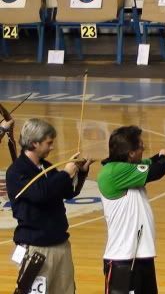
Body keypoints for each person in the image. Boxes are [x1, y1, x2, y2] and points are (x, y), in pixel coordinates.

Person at [98, 125, 165, 294]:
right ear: (130, 152)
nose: (144, 148)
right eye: (140, 146)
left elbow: (154, 161)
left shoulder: (129, 167)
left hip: (141, 257)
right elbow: (157, 170)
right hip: (122, 260)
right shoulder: (112, 172)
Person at [6, 118, 94, 294]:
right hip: (36, 248)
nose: (52, 147)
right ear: (34, 143)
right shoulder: (16, 171)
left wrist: (80, 171)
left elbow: (69, 192)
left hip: (60, 244)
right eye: (49, 143)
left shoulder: (47, 167)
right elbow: (40, 194)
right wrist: (65, 173)